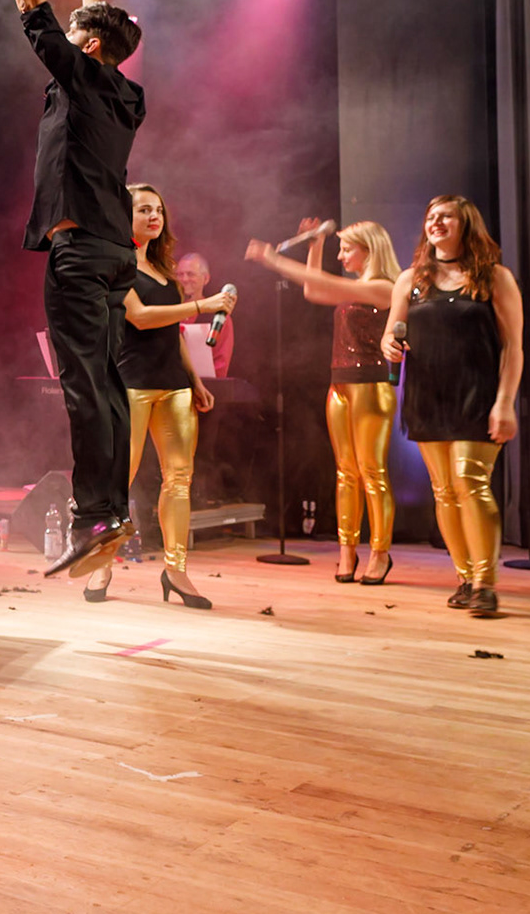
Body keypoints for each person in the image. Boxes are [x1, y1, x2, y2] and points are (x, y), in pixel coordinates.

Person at [0, 0, 148, 580]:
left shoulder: (85, 77)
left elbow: (32, 10)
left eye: (78, 30)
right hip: (115, 252)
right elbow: (100, 39)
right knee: (107, 386)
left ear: (87, 48)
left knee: (85, 388)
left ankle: (95, 517)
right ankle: (112, 512)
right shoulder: (126, 94)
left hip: (82, 252)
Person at [85, 185, 231, 606]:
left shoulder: (164, 268)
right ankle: (102, 563)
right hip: (131, 384)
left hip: (175, 387)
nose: (154, 216)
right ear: (123, 215)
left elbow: (173, 333)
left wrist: (195, 379)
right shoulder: (114, 264)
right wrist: (203, 306)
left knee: (179, 480)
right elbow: (142, 317)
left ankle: (176, 570)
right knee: (119, 481)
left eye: (159, 210)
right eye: (144, 209)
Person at [382, 195, 524, 617]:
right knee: (444, 491)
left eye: (446, 216)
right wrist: (389, 344)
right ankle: (465, 578)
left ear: (467, 225)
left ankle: (485, 583)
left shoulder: (494, 277)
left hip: (476, 395)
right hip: (427, 395)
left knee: (470, 481)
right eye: (430, 217)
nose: (436, 222)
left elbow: (513, 347)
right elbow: (391, 333)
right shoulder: (410, 280)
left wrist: (505, 402)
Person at [247, 218, 403, 583]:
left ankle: (380, 552)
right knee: (345, 472)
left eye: (347, 249)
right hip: (340, 385)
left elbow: (324, 284)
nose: (341, 255)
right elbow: (314, 291)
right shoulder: (356, 287)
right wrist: (315, 248)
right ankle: (347, 550)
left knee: (372, 473)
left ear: (370, 250)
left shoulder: (384, 287)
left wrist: (273, 259)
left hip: (370, 386)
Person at [173, 252, 233, 378]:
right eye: (179, 274)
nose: (184, 279)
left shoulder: (217, 317)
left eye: (190, 274)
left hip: (203, 384)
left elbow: (220, 362)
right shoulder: (169, 311)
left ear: (205, 279)